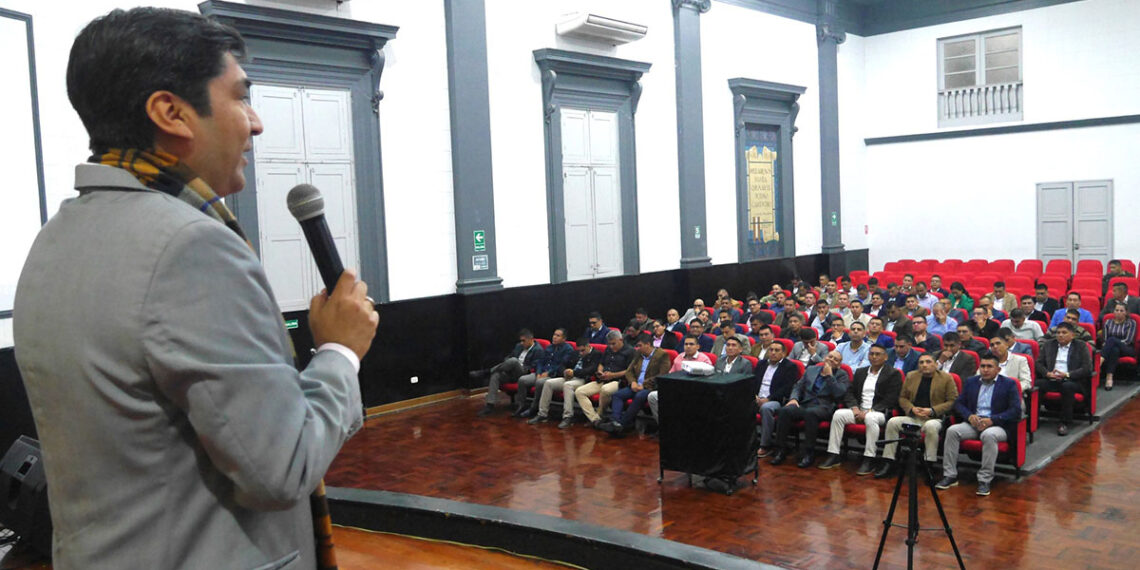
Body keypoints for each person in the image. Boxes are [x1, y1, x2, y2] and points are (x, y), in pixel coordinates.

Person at [13, 9, 379, 568]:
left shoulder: (55, 240)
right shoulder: (191, 248)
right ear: (170, 112)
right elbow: (281, 468)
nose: (255, 123)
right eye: (239, 97)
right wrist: (339, 351)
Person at [937, 354, 1022, 497]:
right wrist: (969, 416)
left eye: (989, 366)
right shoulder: (971, 382)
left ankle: (984, 479)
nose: (985, 370)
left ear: (998, 369)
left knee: (988, 435)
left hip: (997, 425)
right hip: (974, 422)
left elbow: (1015, 410)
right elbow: (959, 404)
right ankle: (950, 475)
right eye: (983, 366)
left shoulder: (1009, 384)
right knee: (952, 431)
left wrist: (993, 420)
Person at [819, 345, 902, 475]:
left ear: (885, 357)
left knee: (870, 418)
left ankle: (869, 458)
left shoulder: (893, 374)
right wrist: (854, 408)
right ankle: (834, 454)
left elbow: (891, 398)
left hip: (878, 412)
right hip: (859, 410)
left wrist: (870, 411)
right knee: (838, 414)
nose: (874, 357)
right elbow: (850, 393)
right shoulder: (860, 372)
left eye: (878, 354)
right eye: (871, 354)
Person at [876, 354, 959, 478]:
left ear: (936, 364)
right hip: (913, 416)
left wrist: (932, 410)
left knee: (931, 426)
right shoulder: (911, 376)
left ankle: (929, 464)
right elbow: (902, 398)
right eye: (921, 362)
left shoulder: (946, 378)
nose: (924, 365)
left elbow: (953, 401)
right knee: (893, 422)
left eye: (928, 362)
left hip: (933, 418)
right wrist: (911, 408)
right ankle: (889, 461)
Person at [769, 351, 850, 468]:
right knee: (784, 410)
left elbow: (839, 394)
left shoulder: (842, 375)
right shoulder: (811, 369)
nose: (831, 359)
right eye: (830, 356)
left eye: (836, 359)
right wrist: (794, 399)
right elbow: (798, 386)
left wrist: (829, 376)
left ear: (839, 364)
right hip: (805, 404)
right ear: (825, 358)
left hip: (825, 407)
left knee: (810, 413)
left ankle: (808, 453)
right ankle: (780, 450)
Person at [603, 335, 671, 436]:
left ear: (648, 344)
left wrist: (643, 385)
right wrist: (633, 382)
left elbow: (662, 375)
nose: (637, 348)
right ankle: (615, 422)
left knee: (639, 396)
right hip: (635, 384)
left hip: (650, 387)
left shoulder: (662, 355)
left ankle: (622, 424)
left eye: (640, 346)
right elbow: (629, 371)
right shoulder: (639, 354)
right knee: (617, 395)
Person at [1035, 322, 1093, 435]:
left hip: (1073, 380)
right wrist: (1047, 373)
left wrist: (1067, 374)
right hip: (1052, 379)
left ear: (1072, 335)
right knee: (1037, 385)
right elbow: (1038, 363)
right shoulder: (1049, 345)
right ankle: (1033, 419)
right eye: (1058, 333)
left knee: (1067, 386)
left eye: (1064, 333)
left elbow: (1087, 368)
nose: (1060, 335)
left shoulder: (1081, 346)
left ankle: (1064, 422)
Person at [535, 338, 603, 429]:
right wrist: (565, 371)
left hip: (583, 379)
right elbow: (562, 364)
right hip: (569, 377)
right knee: (548, 383)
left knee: (567, 385)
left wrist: (574, 373)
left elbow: (591, 370)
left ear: (588, 346)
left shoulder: (596, 354)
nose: (581, 353)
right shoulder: (575, 353)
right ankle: (542, 414)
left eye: (583, 351)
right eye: (579, 351)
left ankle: (567, 417)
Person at [574, 330, 634, 429]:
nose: (611, 346)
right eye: (609, 344)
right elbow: (601, 363)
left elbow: (629, 371)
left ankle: (600, 415)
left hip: (619, 381)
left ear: (621, 340)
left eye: (613, 344)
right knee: (579, 392)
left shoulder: (630, 351)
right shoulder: (608, 349)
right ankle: (595, 419)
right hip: (603, 379)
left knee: (605, 389)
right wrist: (600, 371)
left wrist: (612, 375)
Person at [754, 341, 802, 457]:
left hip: (776, 400)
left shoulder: (790, 367)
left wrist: (768, 399)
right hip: (757, 398)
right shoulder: (761, 364)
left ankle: (765, 445)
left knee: (766, 408)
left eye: (777, 350)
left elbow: (787, 388)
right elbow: (753, 381)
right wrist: (754, 395)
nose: (773, 353)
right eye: (771, 350)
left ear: (784, 353)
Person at [480, 329, 543, 416]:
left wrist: (515, 364)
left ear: (531, 339)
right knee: (496, 375)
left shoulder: (538, 350)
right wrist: (507, 362)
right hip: (512, 372)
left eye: (523, 341)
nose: (521, 343)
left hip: (525, 373)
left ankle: (486, 372)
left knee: (514, 361)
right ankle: (489, 405)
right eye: (520, 340)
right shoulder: (518, 346)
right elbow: (509, 356)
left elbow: (534, 367)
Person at [518, 328, 578, 420]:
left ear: (564, 339)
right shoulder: (549, 347)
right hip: (541, 373)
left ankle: (534, 408)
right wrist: (538, 372)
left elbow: (561, 365)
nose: (554, 337)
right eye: (554, 334)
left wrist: (548, 373)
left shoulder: (568, 349)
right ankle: (521, 406)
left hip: (554, 375)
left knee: (540, 382)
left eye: (558, 336)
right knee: (522, 380)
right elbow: (540, 362)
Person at [1101, 303, 1136, 391]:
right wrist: (1111, 343)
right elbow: (1105, 340)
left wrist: (1114, 342)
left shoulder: (1131, 323)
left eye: (1121, 310)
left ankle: (1100, 360)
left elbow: (1128, 340)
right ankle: (1109, 378)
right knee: (1114, 350)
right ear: (1113, 311)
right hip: (1111, 348)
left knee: (1112, 340)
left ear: (1126, 312)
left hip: (1127, 348)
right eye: (1116, 310)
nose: (1118, 312)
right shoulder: (1108, 322)